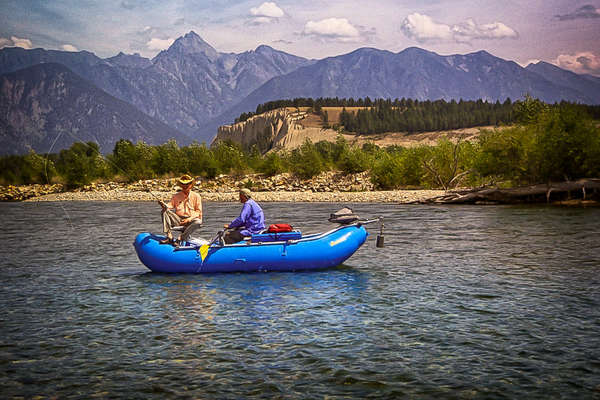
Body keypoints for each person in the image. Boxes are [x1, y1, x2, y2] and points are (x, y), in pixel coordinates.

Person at [158, 174, 203, 246]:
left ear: (191, 185)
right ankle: (169, 237)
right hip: (178, 219)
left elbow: (198, 212)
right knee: (164, 211)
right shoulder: (176, 196)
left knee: (198, 222)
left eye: (187, 184)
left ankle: (180, 238)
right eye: (183, 184)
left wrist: (189, 219)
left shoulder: (196, 196)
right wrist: (163, 205)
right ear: (181, 185)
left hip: (191, 220)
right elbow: (169, 206)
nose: (185, 186)